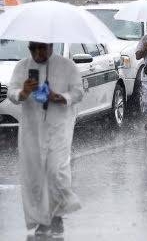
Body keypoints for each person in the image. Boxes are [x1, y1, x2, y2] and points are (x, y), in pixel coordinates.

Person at [7, 42, 83, 236]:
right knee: (35, 176)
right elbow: (12, 92)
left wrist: (59, 97)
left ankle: (56, 214)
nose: (37, 53)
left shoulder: (67, 66)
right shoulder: (22, 67)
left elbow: (78, 92)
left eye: (42, 48)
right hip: (32, 129)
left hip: (58, 128)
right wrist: (23, 92)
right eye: (33, 48)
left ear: (50, 47)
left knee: (55, 171)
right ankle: (42, 221)